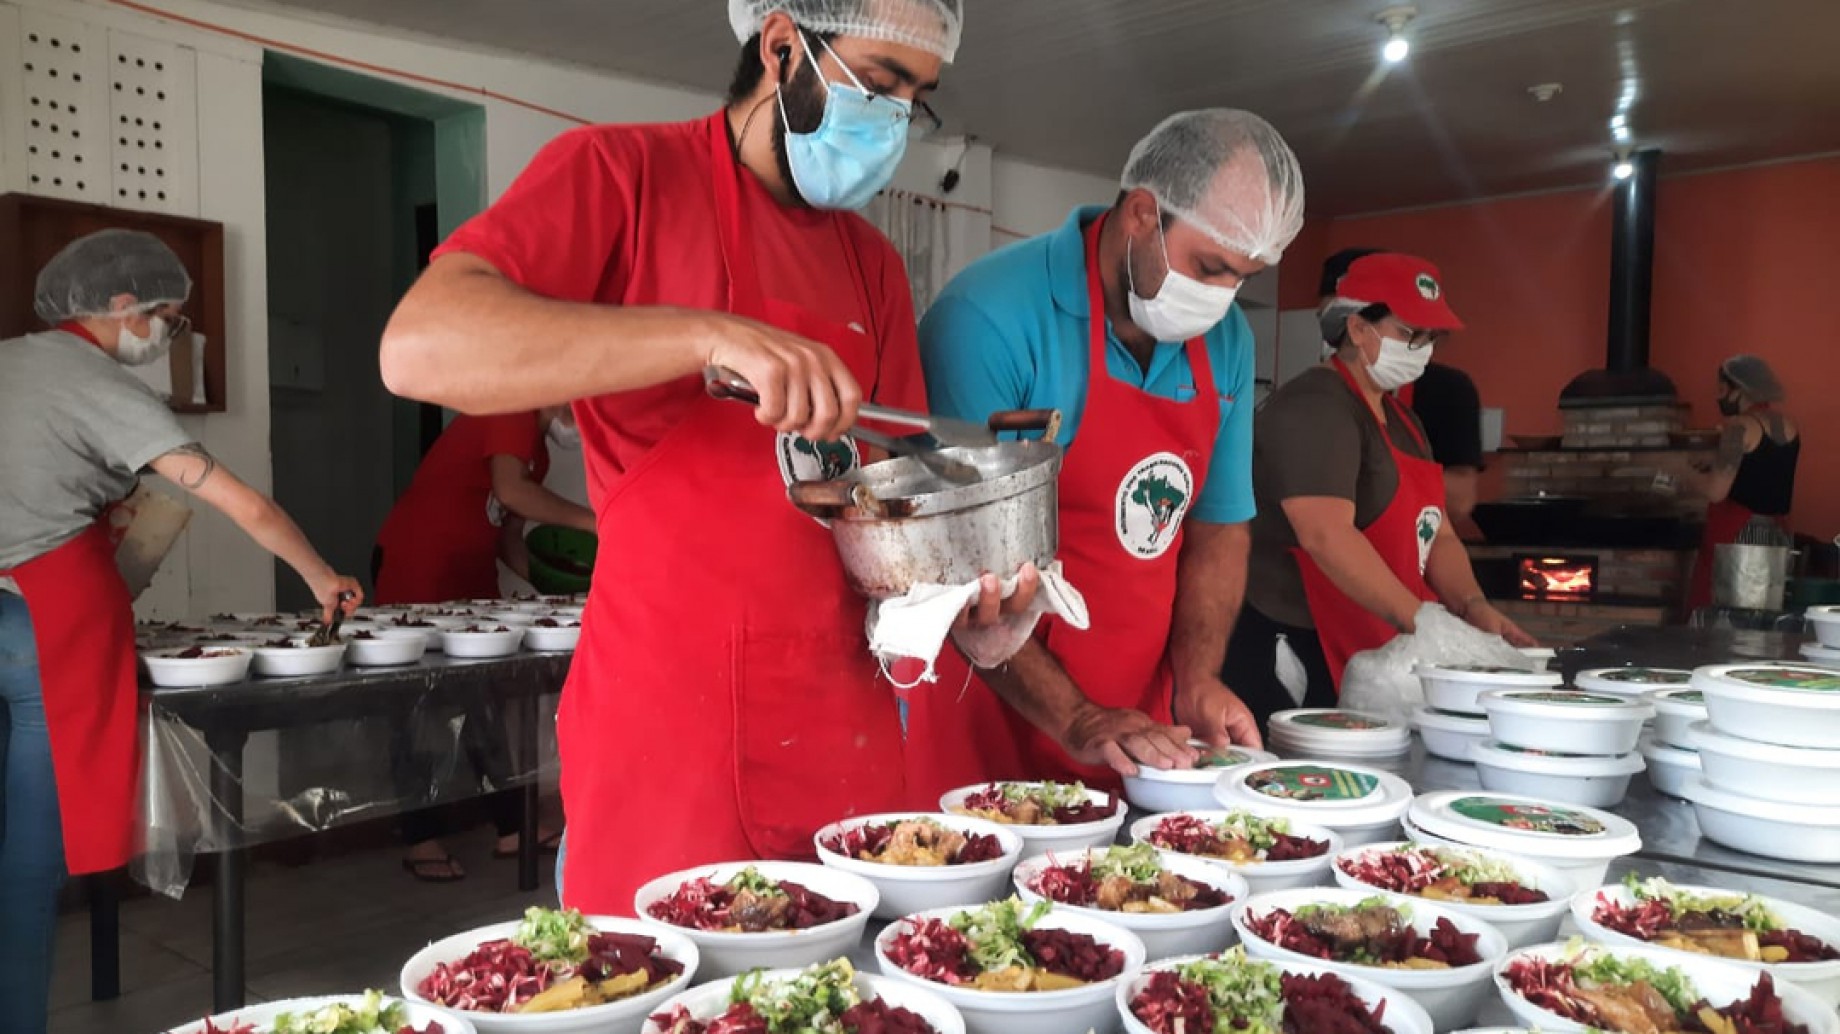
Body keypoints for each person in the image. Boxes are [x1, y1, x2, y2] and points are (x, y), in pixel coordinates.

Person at [379, 0, 1028, 915]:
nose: (892, 121)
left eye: (914, 100)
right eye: (877, 84)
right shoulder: (622, 176)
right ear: (779, 46)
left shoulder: (872, 263)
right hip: (666, 727)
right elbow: (419, 348)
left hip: (840, 723)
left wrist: (960, 616)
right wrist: (706, 336)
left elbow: (886, 512)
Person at [0, 230, 361, 1034]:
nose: (170, 335)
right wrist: (319, 576)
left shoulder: (10, 360)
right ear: (122, 307)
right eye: (169, 318)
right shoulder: (92, 378)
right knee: (24, 865)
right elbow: (244, 504)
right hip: (44, 625)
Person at [904, 110, 1304, 798]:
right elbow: (957, 566)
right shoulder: (990, 317)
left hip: (1140, 738)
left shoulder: (1227, 341)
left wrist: (1198, 678)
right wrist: (1077, 716)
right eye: (1210, 267)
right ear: (1143, 214)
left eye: (1244, 277)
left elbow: (1217, 528)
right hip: (990, 725)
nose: (1222, 298)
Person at [1223, 252, 1534, 728]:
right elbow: (1325, 534)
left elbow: (1438, 534)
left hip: (1370, 640)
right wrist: (1424, 622)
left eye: (1432, 337)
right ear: (1357, 328)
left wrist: (1472, 607)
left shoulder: (1404, 420)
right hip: (1296, 644)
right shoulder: (1315, 407)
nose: (1423, 348)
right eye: (1411, 333)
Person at [372, 408, 591, 880]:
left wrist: (551, 592)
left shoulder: (536, 453)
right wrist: (598, 521)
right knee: (415, 703)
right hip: (421, 566)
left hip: (470, 578)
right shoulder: (513, 410)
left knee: (485, 698)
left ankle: (512, 826)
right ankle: (420, 837)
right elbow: (513, 493)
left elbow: (508, 535)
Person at [1320, 248, 1484, 526]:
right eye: (1330, 321)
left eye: (1421, 334)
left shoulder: (1444, 393)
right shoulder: (1312, 400)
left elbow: (1459, 501)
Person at [1682, 355, 1801, 609]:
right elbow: (1759, 471)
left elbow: (1715, 491)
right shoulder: (1788, 426)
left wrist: (1682, 471)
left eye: (1722, 390)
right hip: (1777, 538)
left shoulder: (1738, 427)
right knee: (1763, 623)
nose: (1718, 397)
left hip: (1739, 540)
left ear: (1740, 390)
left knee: (1726, 624)